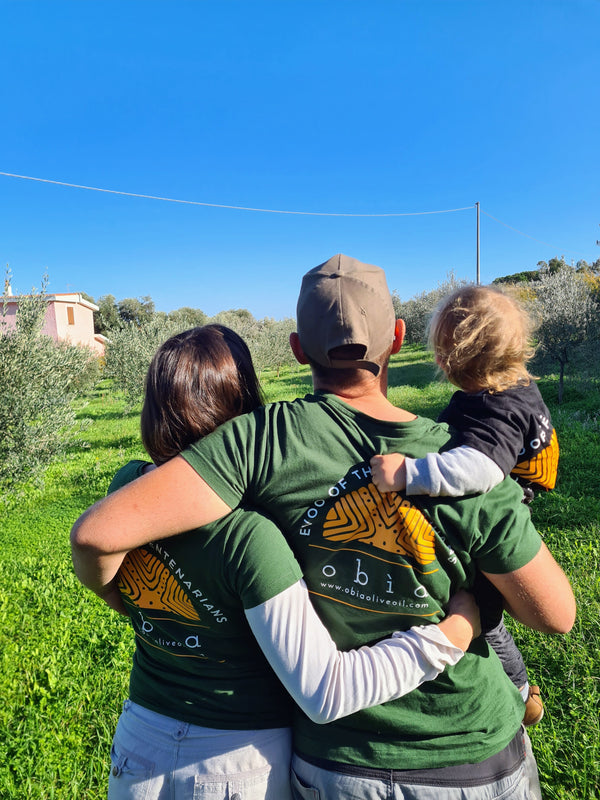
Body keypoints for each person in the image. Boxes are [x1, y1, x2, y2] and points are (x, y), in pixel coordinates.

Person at [71, 255, 576, 800]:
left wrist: (138, 602)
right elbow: (555, 616)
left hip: (334, 762)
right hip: (473, 752)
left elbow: (102, 530)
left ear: (296, 349)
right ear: (398, 340)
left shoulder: (255, 442)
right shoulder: (466, 459)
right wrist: (462, 623)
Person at [90, 324, 480, 800]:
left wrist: (122, 599)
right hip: (234, 759)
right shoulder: (250, 537)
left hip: (139, 740)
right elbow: (326, 691)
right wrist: (454, 632)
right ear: (242, 411)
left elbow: (110, 560)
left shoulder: (127, 490)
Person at [370, 284, 560, 727]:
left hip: (497, 522)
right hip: (507, 510)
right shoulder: (514, 388)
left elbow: (480, 469)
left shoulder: (498, 411)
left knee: (485, 616)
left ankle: (516, 693)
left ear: (450, 362)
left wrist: (409, 474)